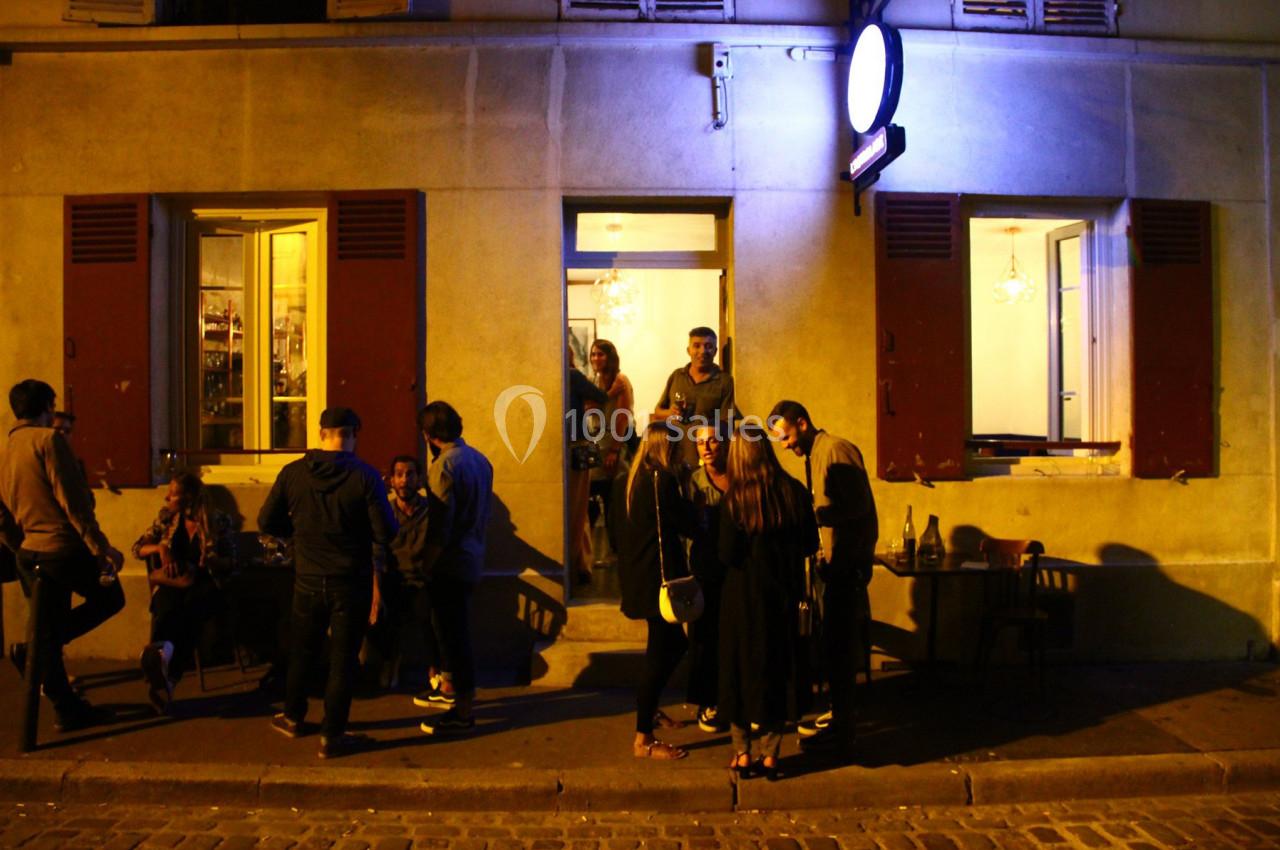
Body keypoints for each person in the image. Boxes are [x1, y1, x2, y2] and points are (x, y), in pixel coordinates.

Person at [258, 406, 396, 759]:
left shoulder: (293, 473)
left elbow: (266, 520)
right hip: (350, 579)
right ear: (353, 434)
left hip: (307, 576)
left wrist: (298, 535)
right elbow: (386, 532)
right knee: (343, 658)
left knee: (303, 649)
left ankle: (292, 715)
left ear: (321, 433)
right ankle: (332, 734)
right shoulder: (365, 477)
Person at [0, 379, 125, 732]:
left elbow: (1, 513)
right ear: (47, 407)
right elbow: (74, 503)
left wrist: (16, 544)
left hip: (29, 552)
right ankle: (39, 650)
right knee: (111, 597)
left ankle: (64, 703)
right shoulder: (48, 440)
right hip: (60, 549)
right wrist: (101, 549)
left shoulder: (7, 447)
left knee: (47, 627)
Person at [769, 400, 878, 759]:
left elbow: (860, 507)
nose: (784, 445)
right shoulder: (815, 455)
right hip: (832, 567)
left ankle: (844, 732)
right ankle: (840, 723)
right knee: (832, 650)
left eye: (785, 436)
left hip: (844, 568)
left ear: (801, 423)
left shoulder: (835, 451)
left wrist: (815, 513)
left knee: (840, 650)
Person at [718, 422, 818, 780]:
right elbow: (810, 544)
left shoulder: (735, 498)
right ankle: (771, 754)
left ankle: (742, 752)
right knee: (777, 671)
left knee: (738, 672)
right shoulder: (793, 492)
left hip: (744, 597)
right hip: (784, 595)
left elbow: (727, 553)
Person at [618, 420, 699, 760]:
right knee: (666, 649)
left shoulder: (628, 480)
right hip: (658, 580)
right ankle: (643, 738)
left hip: (637, 576)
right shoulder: (663, 481)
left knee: (665, 644)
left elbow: (615, 532)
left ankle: (648, 712)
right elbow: (687, 523)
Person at [415, 401, 493, 736]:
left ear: (429, 435)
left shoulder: (444, 467)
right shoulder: (481, 460)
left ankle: (462, 710)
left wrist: (426, 564)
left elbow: (441, 525)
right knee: (454, 630)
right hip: (473, 554)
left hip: (451, 560)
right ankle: (451, 691)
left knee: (453, 635)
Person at [132, 472, 237, 713]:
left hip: (203, 582)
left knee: (191, 609)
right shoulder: (167, 519)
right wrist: (160, 548)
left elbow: (232, 562)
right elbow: (137, 549)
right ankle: (164, 666)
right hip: (173, 581)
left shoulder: (217, 521)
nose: (167, 497)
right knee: (165, 603)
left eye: (173, 494)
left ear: (188, 497)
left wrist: (211, 561)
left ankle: (164, 663)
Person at [377, 455, 445, 696]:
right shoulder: (385, 511)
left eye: (410, 474)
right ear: (392, 480)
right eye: (399, 474)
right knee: (388, 620)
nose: (404, 480)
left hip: (422, 579)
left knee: (428, 617)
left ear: (419, 479)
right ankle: (390, 663)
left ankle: (435, 668)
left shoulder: (430, 511)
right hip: (394, 578)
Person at [686, 422, 730, 734]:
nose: (707, 447)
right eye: (701, 442)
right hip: (704, 569)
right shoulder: (694, 482)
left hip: (734, 569)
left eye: (713, 441)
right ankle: (707, 700)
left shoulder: (738, 477)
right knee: (704, 639)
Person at [653, 327, 736, 472]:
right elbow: (658, 411)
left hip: (704, 459)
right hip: (673, 457)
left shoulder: (724, 381)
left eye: (708, 346)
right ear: (688, 350)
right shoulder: (677, 376)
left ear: (715, 351)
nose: (703, 351)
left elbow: (726, 425)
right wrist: (670, 413)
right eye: (697, 346)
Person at [587, 339, 635, 563]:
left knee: (614, 502)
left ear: (611, 356)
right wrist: (605, 395)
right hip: (595, 445)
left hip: (613, 446)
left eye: (601, 354)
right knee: (592, 500)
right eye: (594, 354)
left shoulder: (620, 380)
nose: (596, 359)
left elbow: (623, 417)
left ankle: (616, 552)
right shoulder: (594, 380)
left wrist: (615, 450)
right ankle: (590, 553)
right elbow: (587, 408)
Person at [568, 345, 609, 584]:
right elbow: (602, 397)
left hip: (564, 446)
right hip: (577, 446)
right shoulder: (573, 376)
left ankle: (580, 562)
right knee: (579, 507)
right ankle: (581, 563)